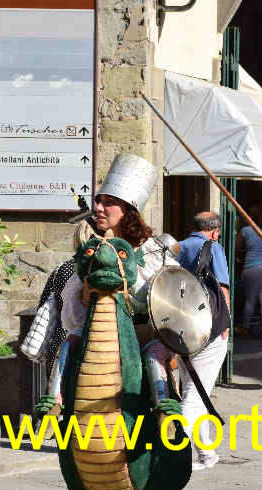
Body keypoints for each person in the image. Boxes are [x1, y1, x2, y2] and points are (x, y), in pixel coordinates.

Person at [60, 154, 178, 417]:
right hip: (99, 348)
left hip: (144, 346)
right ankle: (55, 399)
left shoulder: (155, 255)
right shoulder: (96, 252)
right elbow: (72, 313)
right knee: (69, 344)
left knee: (155, 355)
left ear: (129, 210)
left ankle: (163, 411)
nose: (98, 207)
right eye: (98, 201)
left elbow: (179, 307)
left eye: (109, 202)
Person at [175, 211, 231, 471]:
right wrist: (226, 324)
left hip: (181, 329)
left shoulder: (178, 247)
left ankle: (206, 452)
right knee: (195, 395)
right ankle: (176, 454)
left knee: (193, 388)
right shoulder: (214, 248)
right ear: (215, 231)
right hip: (209, 327)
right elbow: (222, 288)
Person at [35, 219, 98, 414]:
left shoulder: (63, 269)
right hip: (90, 341)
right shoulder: (96, 269)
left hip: (60, 341)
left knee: (63, 403)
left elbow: (43, 303)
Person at [235, 203, 262, 337]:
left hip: (251, 268)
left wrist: (238, 256)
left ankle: (246, 328)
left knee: (250, 300)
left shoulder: (246, 230)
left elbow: (236, 247)